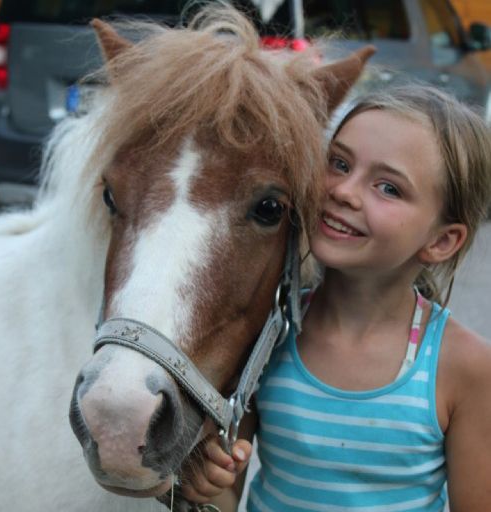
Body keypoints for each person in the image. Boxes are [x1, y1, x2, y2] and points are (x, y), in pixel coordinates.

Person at [180, 85, 491, 511]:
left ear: (441, 241)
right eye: (339, 163)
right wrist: (204, 482)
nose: (345, 191)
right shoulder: (269, 334)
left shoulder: (465, 367)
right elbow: (226, 496)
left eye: (388, 188)